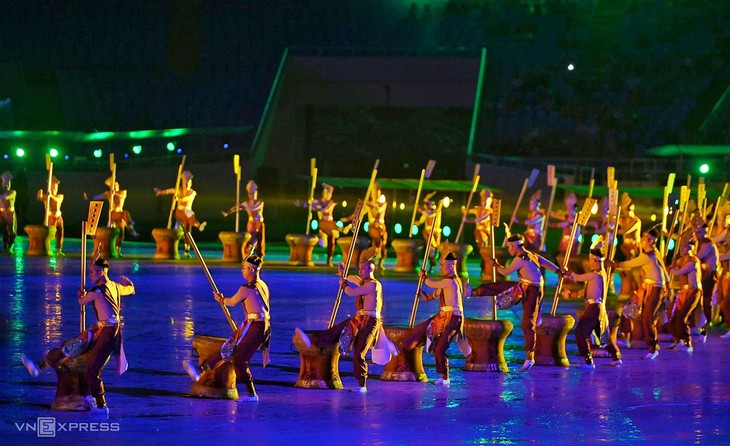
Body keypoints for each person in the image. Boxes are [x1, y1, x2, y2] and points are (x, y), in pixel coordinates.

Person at [21, 257, 136, 414]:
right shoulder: (115, 286)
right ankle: (39, 366)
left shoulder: (96, 292)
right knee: (72, 347)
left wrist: (81, 294)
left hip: (108, 333)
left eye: (92, 272)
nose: (90, 275)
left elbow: (81, 301)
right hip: (100, 330)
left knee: (92, 369)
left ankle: (102, 406)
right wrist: (130, 284)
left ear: (101, 272)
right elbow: (129, 289)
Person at [293, 249, 389, 393]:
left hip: (370, 322)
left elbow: (351, 292)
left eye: (363, 268)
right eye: (359, 268)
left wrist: (343, 284)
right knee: (337, 330)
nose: (360, 271)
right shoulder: (365, 282)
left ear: (371, 269)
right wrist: (343, 275)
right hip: (359, 319)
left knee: (359, 352)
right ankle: (313, 341)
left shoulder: (373, 285)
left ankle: (362, 384)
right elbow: (355, 279)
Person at [183, 254, 270, 402]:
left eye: (244, 268)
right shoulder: (263, 285)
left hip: (256, 326)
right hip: (253, 325)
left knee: (239, 360)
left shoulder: (247, 288)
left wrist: (221, 299)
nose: (242, 271)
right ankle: (200, 371)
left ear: (251, 269)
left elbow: (232, 301)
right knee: (228, 348)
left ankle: (252, 394)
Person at [493, 234, 563, 372]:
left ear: (514, 246)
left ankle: (529, 357)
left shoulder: (519, 259)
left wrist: (496, 265)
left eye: (509, 247)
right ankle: (536, 315)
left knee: (527, 324)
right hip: (532, 288)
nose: (508, 250)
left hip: (532, 290)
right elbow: (545, 262)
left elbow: (505, 272)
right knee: (521, 311)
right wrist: (558, 271)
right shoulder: (530, 254)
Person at [400, 252, 465, 386]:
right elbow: (436, 293)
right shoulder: (447, 281)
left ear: (451, 266)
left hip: (453, 318)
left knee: (440, 348)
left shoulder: (451, 281)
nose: (441, 268)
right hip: (442, 316)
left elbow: (433, 284)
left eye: (444, 266)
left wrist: (424, 277)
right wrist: (427, 297)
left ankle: (445, 377)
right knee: (421, 335)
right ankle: (408, 355)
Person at [608, 228, 669, 360]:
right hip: (648, 287)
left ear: (651, 241)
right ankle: (648, 344)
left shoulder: (647, 256)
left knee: (648, 317)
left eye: (645, 238)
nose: (642, 240)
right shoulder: (652, 253)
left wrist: (614, 264)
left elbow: (629, 264)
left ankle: (653, 348)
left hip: (656, 288)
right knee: (639, 314)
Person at [564, 240, 622, 368]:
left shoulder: (596, 275)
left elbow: (577, 278)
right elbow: (586, 290)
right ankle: (616, 357)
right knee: (604, 338)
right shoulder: (600, 275)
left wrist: (566, 273)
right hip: (597, 308)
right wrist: (571, 295)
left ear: (595, 260)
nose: (589, 262)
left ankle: (588, 360)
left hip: (594, 308)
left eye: (590, 260)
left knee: (580, 332)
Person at [155, 170, 207, 257]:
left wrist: (178, 198)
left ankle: (186, 251)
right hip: (180, 212)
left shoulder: (193, 193)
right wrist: (160, 192)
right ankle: (198, 225)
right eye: (184, 183)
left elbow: (186, 199)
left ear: (190, 184)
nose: (185, 185)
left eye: (187, 183)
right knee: (188, 215)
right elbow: (170, 190)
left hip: (187, 214)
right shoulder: (178, 190)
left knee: (187, 232)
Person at [86, 177, 139, 256]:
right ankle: (108, 247)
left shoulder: (123, 192)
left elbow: (122, 196)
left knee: (121, 231)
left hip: (120, 214)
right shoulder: (109, 193)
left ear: (118, 186)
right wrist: (89, 198)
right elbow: (99, 196)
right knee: (111, 232)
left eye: (115, 186)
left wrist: (114, 193)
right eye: (112, 186)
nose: (114, 187)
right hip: (113, 214)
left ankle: (119, 248)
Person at [667, 236, 702, 352]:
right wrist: (670, 264)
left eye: (684, 246)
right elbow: (674, 267)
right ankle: (679, 340)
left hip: (693, 291)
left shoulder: (693, 261)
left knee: (683, 316)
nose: (682, 248)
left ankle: (688, 343)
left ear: (691, 247)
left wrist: (672, 269)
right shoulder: (682, 260)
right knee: (674, 316)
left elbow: (679, 272)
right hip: (684, 292)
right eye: (681, 245)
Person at [222, 180, 266, 259]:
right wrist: (228, 212)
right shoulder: (246, 203)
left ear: (256, 193)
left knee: (259, 240)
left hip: (259, 222)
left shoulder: (260, 202)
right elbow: (237, 207)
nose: (252, 195)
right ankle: (248, 255)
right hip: (251, 223)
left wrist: (244, 207)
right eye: (250, 193)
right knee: (250, 240)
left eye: (253, 193)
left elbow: (253, 208)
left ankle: (260, 256)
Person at [694, 222, 719, 341]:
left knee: (706, 300)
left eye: (699, 232)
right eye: (696, 232)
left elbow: (696, 258)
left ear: (705, 232)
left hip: (709, 275)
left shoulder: (707, 244)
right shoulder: (701, 243)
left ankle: (706, 326)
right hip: (705, 274)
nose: (696, 235)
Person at [36, 176, 64, 255]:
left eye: (56, 188)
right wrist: (40, 195)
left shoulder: (60, 196)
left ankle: (59, 250)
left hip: (59, 218)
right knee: (50, 234)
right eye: (53, 188)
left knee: (60, 234)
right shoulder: (46, 197)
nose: (54, 189)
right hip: (50, 217)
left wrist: (50, 195)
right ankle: (47, 248)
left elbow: (57, 200)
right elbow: (40, 198)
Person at [415, 193, 441, 272]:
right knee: (430, 248)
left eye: (427, 204)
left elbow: (429, 214)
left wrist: (420, 209)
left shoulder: (437, 210)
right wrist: (416, 223)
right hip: (428, 232)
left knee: (434, 248)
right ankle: (431, 263)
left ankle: (432, 263)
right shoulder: (427, 212)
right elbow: (422, 219)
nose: (425, 206)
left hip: (435, 232)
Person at [365, 182, 388, 270]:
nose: (377, 195)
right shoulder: (368, 204)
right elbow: (361, 213)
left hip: (381, 226)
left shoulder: (382, 203)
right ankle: (372, 259)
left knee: (383, 242)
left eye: (378, 193)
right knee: (376, 240)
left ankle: (380, 261)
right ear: (372, 194)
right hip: (373, 226)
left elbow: (378, 209)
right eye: (375, 193)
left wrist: (370, 205)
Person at [0, 171, 17, 252]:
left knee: (11, 231)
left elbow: (5, 197)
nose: (6, 184)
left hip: (10, 214)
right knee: (5, 231)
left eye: (8, 183)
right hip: (2, 214)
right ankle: (6, 246)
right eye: (5, 182)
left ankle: (10, 247)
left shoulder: (13, 192)